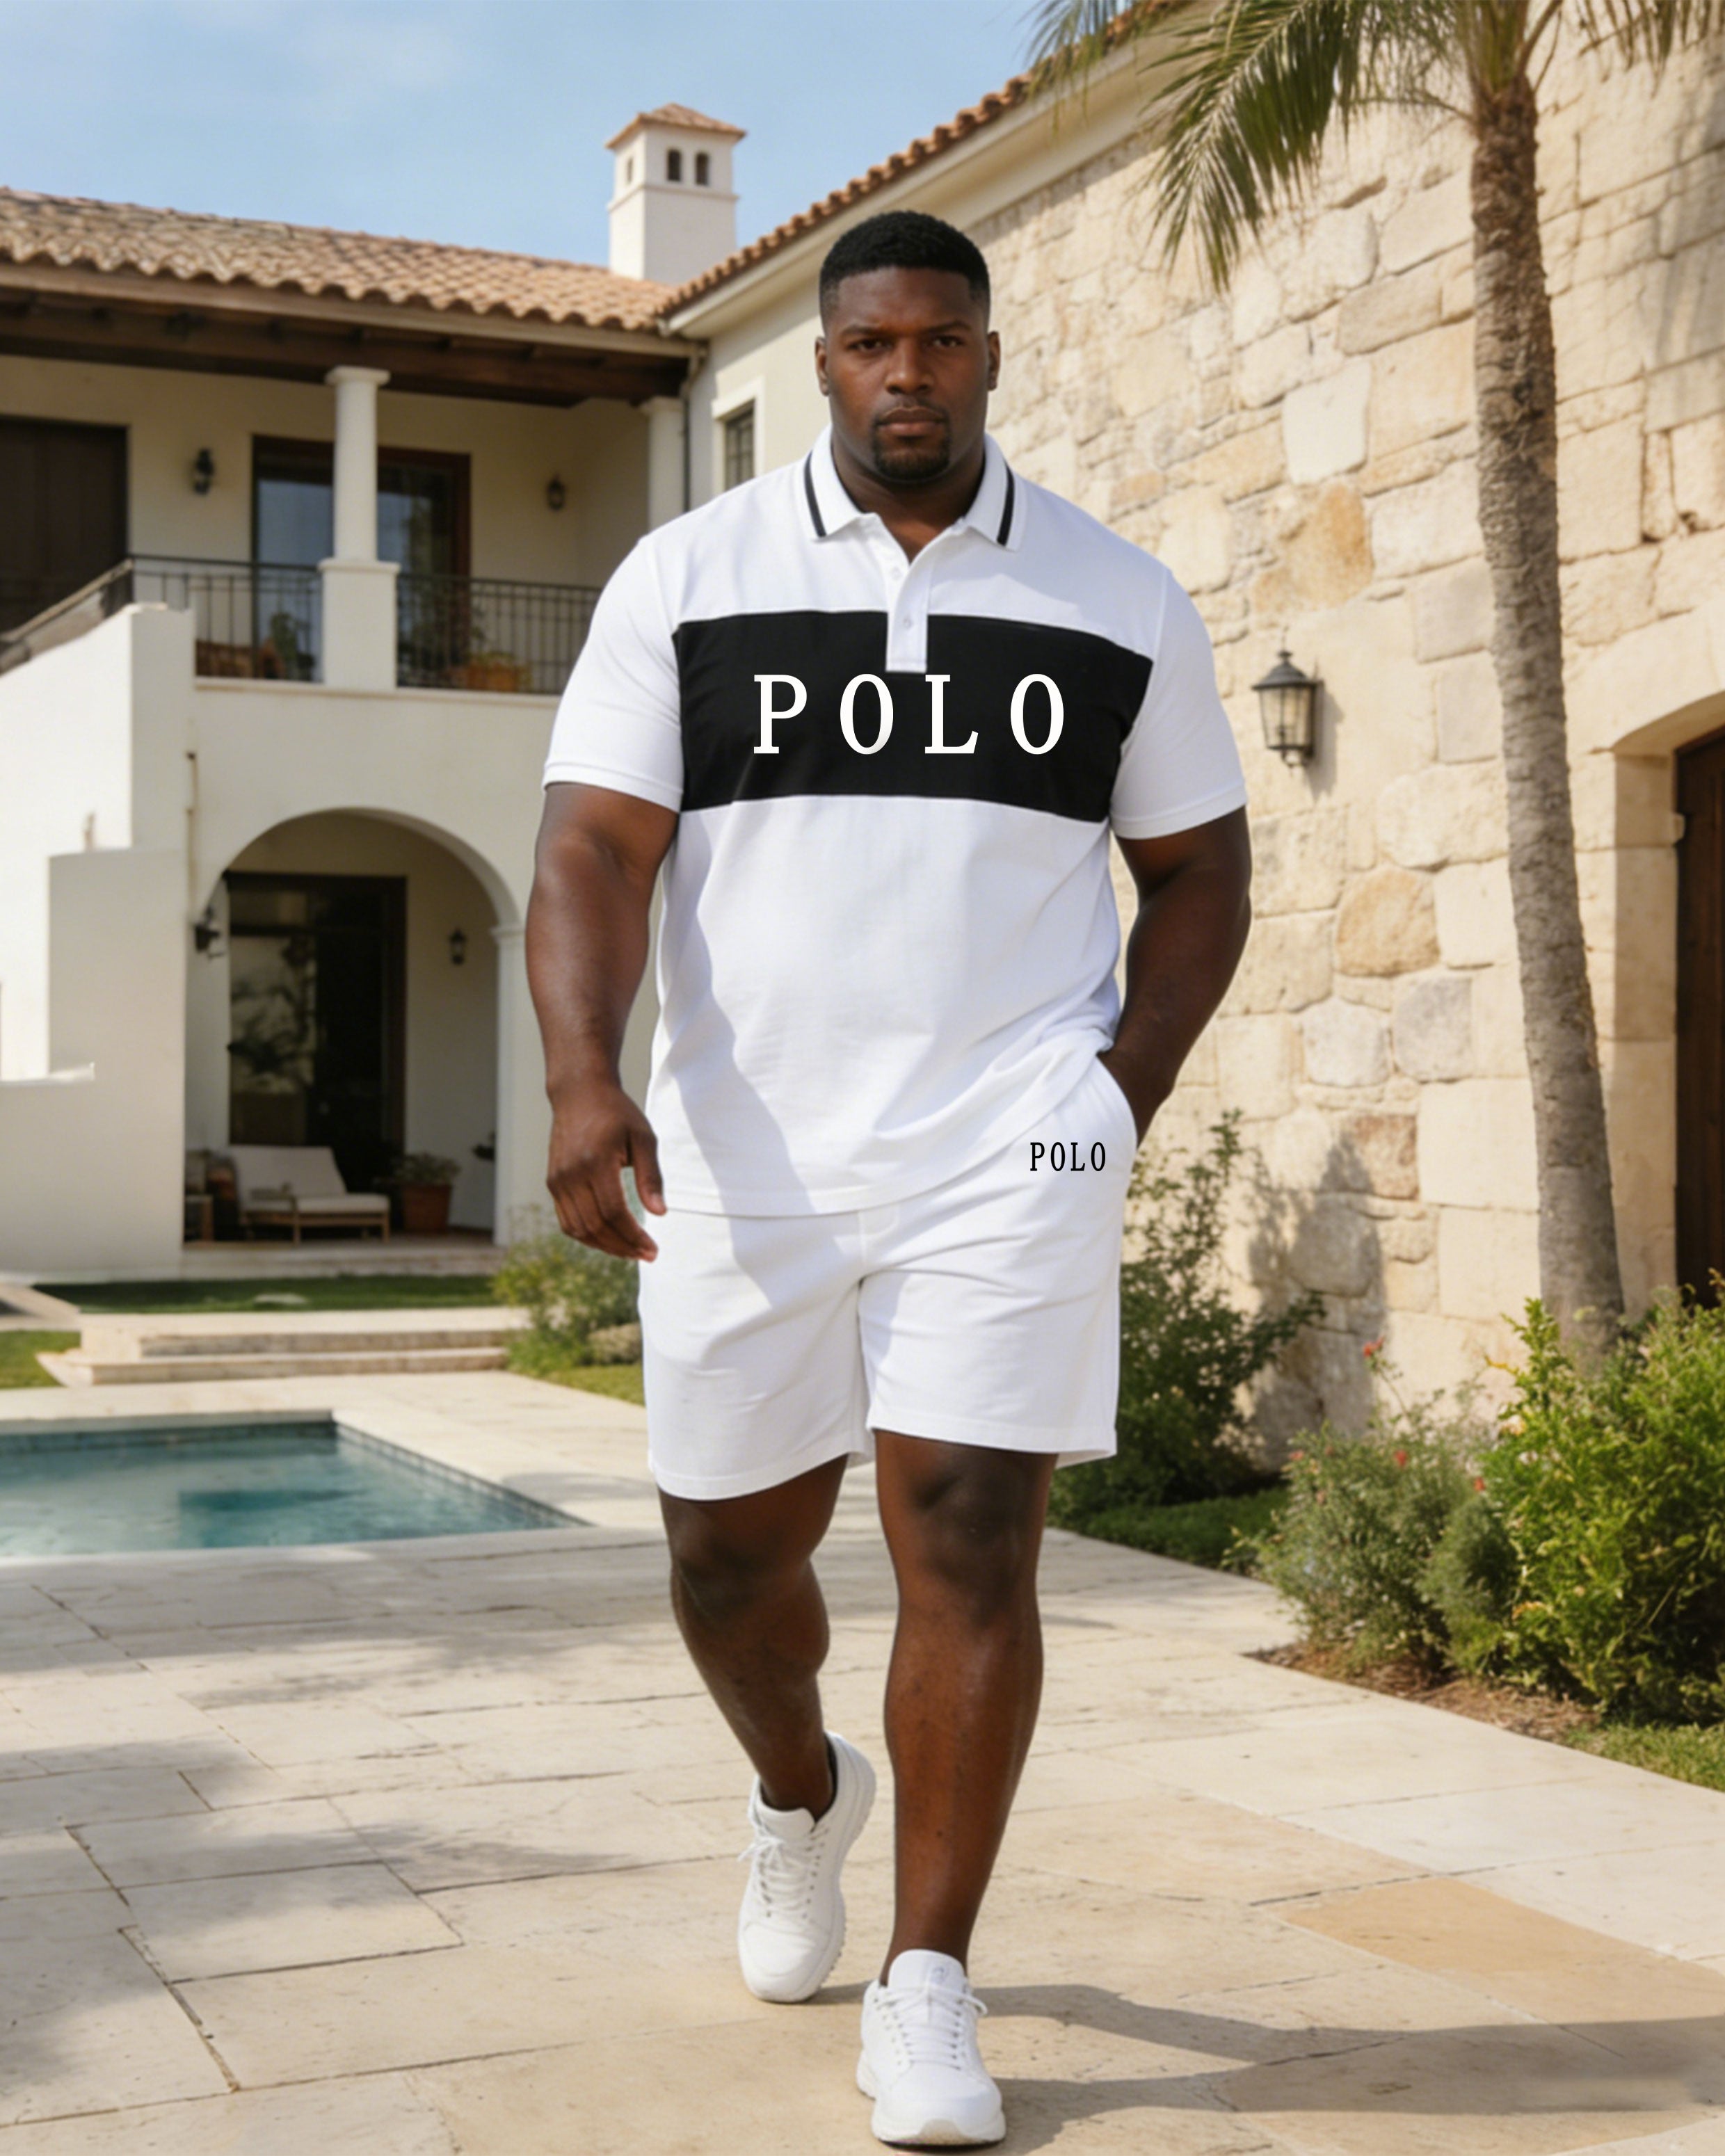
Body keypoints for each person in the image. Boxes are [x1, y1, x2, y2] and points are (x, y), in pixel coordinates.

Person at [527, 207, 1251, 2149]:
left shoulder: (1119, 597)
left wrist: (1114, 1095)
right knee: (724, 1560)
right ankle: (799, 1792)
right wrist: (585, 1077)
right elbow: (592, 849)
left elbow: (1201, 873)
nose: (906, 374)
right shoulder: (689, 576)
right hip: (746, 1155)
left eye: (940, 340)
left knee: (972, 1540)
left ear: (990, 355)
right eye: (871, 344)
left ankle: (930, 1981)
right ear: (826, 362)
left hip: (1005, 1149)